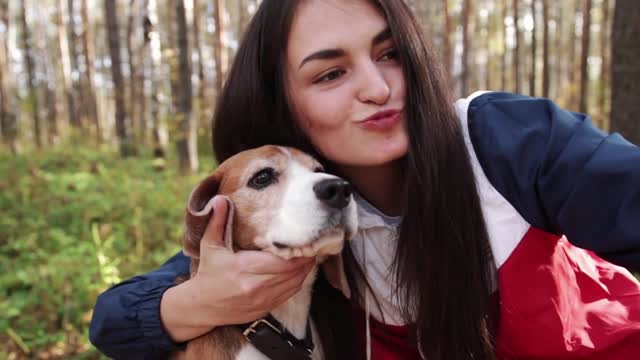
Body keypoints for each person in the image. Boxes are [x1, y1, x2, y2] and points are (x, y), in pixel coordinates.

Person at [89, 1, 640, 359]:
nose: (378, 88)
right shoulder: (299, 215)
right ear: (283, 105)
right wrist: (202, 302)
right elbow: (112, 321)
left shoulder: (502, 137)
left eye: (390, 54)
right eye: (330, 73)